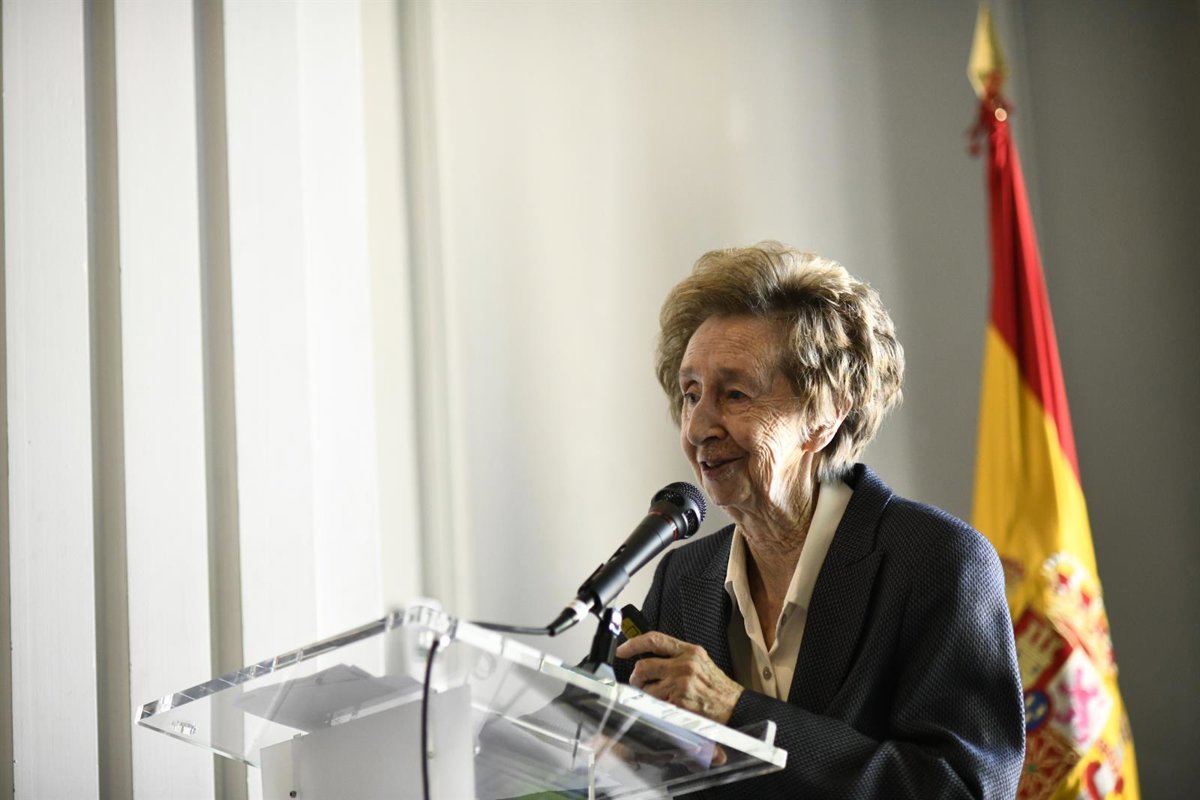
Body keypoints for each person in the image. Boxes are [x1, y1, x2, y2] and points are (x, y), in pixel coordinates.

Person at [613, 243, 1024, 799]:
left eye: (734, 394)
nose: (698, 426)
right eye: (690, 395)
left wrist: (737, 711)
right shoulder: (683, 577)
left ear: (824, 415)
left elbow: (963, 789)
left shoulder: (937, 561)